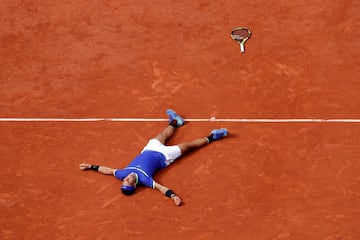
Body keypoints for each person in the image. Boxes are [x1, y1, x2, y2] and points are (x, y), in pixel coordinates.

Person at [79, 109, 228, 206]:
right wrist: (173, 196)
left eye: (125, 181)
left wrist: (91, 166)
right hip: (165, 156)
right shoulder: (145, 180)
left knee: (162, 135)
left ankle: (175, 122)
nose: (127, 179)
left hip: (149, 149)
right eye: (129, 183)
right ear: (134, 185)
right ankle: (213, 136)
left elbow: (108, 170)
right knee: (188, 146)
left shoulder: (122, 174)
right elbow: (161, 188)